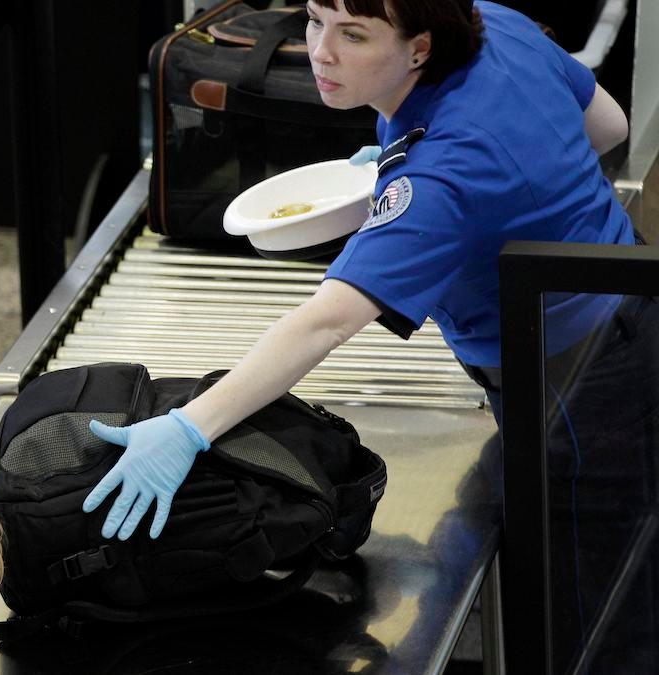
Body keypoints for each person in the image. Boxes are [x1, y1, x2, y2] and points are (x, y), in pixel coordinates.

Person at [84, 0, 656, 670]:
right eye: (315, 20)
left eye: (353, 35)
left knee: (598, 625)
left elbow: (327, 320)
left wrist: (188, 427)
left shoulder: (443, 177)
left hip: (578, 390)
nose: (322, 52)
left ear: (417, 48)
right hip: (628, 300)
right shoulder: (490, 22)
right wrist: (509, 191)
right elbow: (606, 123)